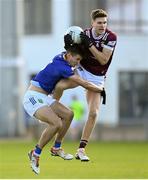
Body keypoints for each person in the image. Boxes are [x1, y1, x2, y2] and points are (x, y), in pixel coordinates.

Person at [23, 44, 103, 174]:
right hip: (32, 96)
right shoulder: (63, 67)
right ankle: (35, 153)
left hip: (44, 96)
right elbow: (84, 83)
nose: (77, 63)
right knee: (56, 123)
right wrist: (101, 88)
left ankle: (56, 148)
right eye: (77, 60)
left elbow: (71, 51)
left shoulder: (61, 56)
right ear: (69, 55)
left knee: (69, 114)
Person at [53, 9, 117, 161]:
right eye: (99, 22)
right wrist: (70, 44)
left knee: (94, 113)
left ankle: (81, 150)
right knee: (59, 86)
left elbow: (103, 60)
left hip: (97, 77)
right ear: (92, 23)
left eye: (105, 22)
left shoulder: (111, 37)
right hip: (82, 70)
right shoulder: (84, 34)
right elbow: (73, 52)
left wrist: (89, 45)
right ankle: (51, 109)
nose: (102, 25)